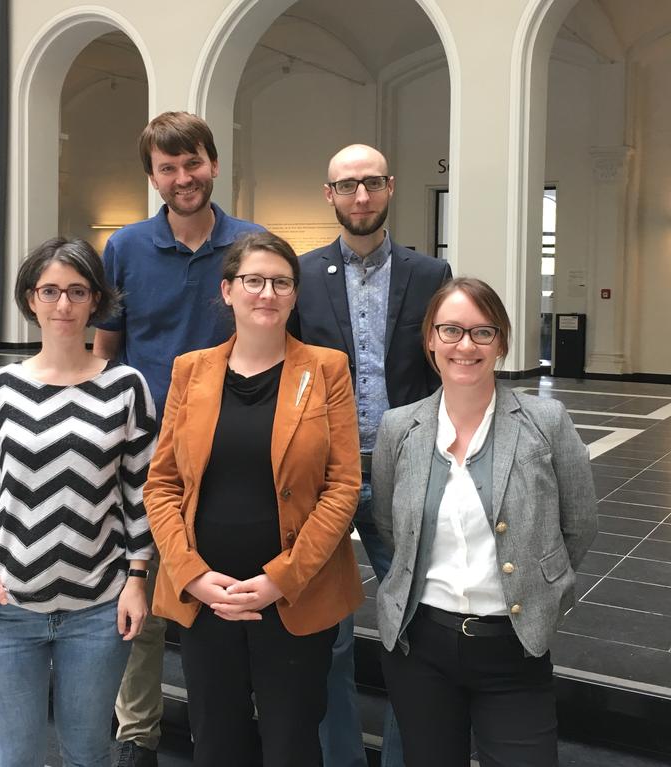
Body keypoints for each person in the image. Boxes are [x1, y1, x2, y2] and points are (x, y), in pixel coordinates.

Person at [144, 231, 364, 767]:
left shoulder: (326, 368)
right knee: (217, 743)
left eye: (281, 283)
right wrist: (190, 573)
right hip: (207, 597)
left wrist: (278, 580)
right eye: (254, 281)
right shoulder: (190, 370)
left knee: (292, 744)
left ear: (294, 294)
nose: (267, 293)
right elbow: (162, 483)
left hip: (294, 595)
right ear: (228, 291)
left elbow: (342, 486)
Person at [93, 111, 263, 767]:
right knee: (142, 596)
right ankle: (137, 731)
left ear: (213, 165)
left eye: (192, 163)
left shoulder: (251, 243)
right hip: (148, 454)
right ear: (153, 176)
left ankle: (230, 720)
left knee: (231, 596)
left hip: (234, 452)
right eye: (168, 167)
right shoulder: (125, 248)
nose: (182, 177)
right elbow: (108, 349)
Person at [372, 277, 598, 766]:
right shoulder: (399, 428)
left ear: (502, 342)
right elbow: (391, 527)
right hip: (421, 647)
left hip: (512, 647)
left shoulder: (547, 421)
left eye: (482, 332)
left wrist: (542, 586)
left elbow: (579, 524)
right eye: (450, 330)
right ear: (430, 339)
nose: (465, 345)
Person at [0, 237, 157, 767]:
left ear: (96, 301)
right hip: (4, 607)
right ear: (29, 300)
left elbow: (140, 494)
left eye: (76, 291)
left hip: (97, 609)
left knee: (89, 752)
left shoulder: (127, 388)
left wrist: (137, 580)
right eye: (50, 291)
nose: (63, 305)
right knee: (14, 757)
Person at [288, 143, 451, 766]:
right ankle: (340, 759)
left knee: (412, 625)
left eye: (372, 184)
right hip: (325, 476)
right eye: (347, 186)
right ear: (329, 194)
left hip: (403, 470)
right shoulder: (301, 275)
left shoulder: (430, 275)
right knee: (322, 634)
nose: (360, 196)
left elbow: (441, 371)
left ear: (390, 187)